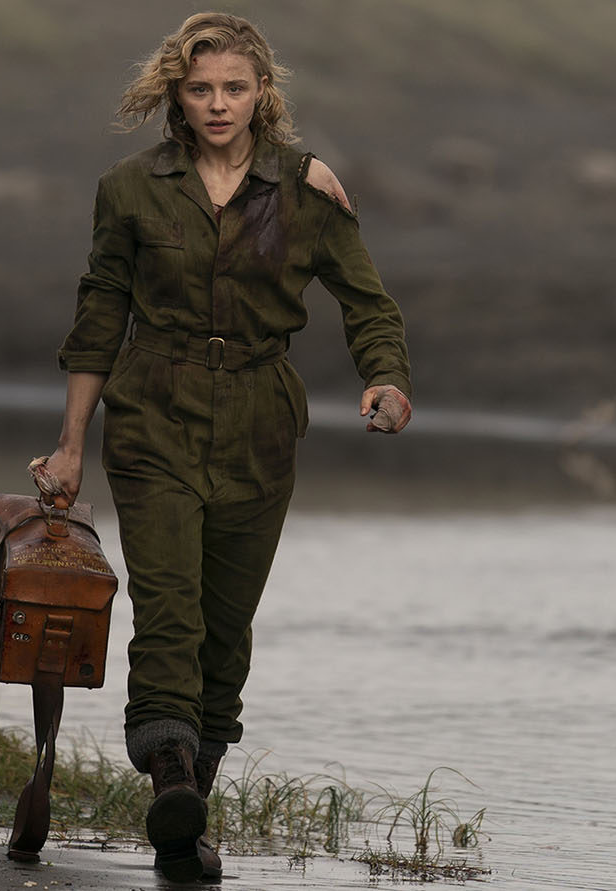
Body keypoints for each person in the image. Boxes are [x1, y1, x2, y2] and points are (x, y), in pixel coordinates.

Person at [36, 11, 412, 882]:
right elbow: (98, 318)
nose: (217, 104)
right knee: (168, 607)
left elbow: (369, 303)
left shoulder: (309, 190)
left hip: (261, 420)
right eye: (201, 89)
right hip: (153, 410)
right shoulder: (130, 189)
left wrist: (387, 378)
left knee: (226, 627)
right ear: (177, 92)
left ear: (262, 94)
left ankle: (188, 809)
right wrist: (67, 447)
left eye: (234, 89)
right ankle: (169, 774)